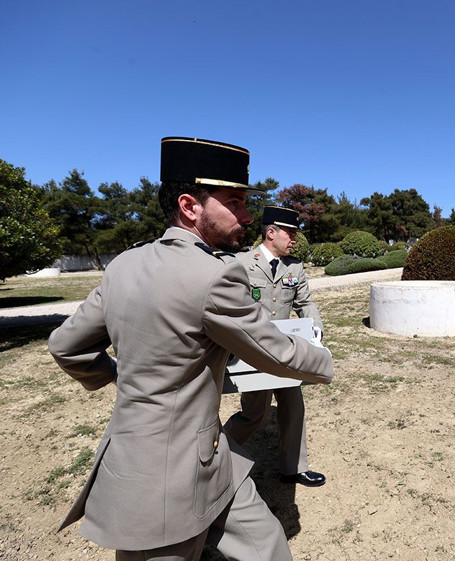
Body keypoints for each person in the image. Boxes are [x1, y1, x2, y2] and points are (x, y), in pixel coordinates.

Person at [48, 136, 333, 561]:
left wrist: (125, 378)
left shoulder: (124, 264)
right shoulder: (214, 274)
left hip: (205, 452)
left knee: (267, 545)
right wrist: (324, 360)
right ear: (189, 206)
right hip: (162, 475)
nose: (247, 215)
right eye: (234, 202)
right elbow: (276, 351)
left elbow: (65, 346)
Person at [224, 206, 326, 487]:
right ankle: (215, 454)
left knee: (293, 407)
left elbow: (305, 302)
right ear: (271, 233)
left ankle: (294, 468)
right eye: (290, 233)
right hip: (252, 350)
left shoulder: (294, 266)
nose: (294, 239)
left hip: (284, 349)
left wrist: (315, 328)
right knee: (254, 414)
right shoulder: (241, 263)